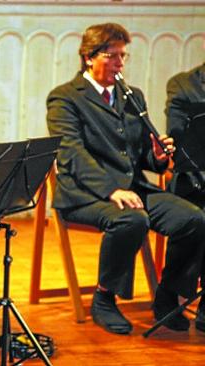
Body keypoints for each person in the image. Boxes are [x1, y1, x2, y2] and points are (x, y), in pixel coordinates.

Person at [46, 22, 205, 335]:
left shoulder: (132, 96)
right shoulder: (65, 98)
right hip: (85, 194)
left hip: (131, 189)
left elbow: (141, 153)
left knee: (194, 218)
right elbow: (72, 153)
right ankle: (104, 298)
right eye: (112, 55)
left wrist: (157, 157)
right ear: (89, 57)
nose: (119, 63)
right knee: (131, 220)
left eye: (123, 56)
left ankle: (167, 294)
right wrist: (111, 190)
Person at [165, 62, 205, 331]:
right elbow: (177, 137)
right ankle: (168, 295)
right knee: (198, 215)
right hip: (192, 177)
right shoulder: (183, 85)